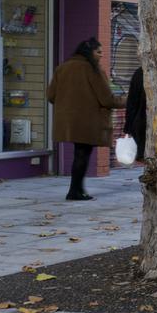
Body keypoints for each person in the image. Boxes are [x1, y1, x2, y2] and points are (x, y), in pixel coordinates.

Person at [48, 37, 122, 201]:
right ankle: (75, 191)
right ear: (89, 52)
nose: (101, 56)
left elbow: (51, 95)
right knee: (82, 154)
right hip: (88, 121)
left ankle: (77, 190)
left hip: (68, 121)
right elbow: (107, 99)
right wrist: (129, 102)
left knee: (79, 153)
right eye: (99, 52)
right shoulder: (93, 70)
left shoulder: (62, 68)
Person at [124, 65, 149, 161]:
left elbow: (132, 102)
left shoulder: (139, 73)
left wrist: (128, 128)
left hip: (140, 124)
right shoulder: (140, 74)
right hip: (144, 124)